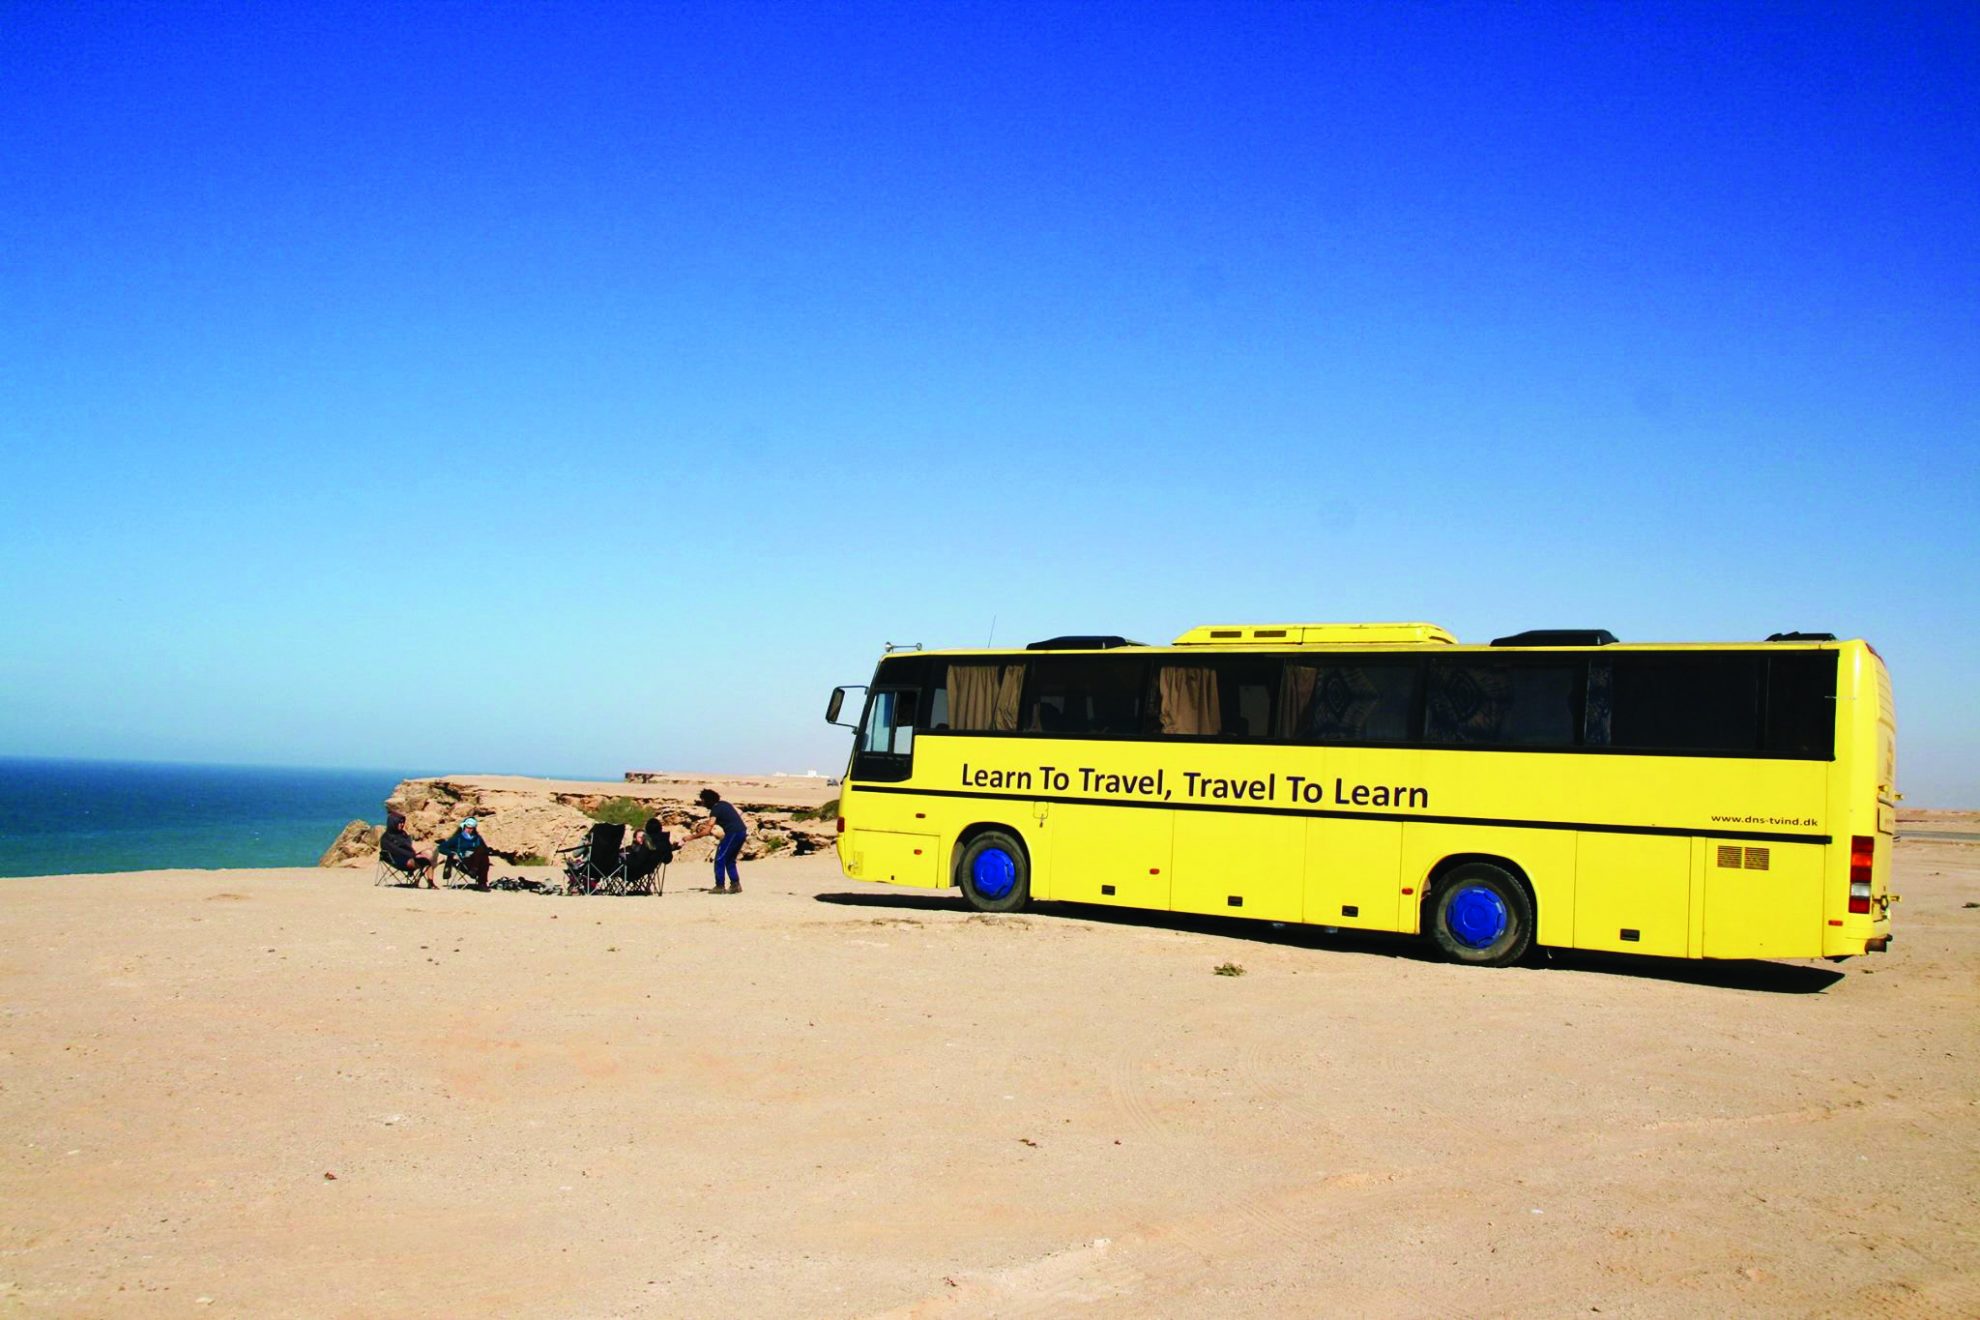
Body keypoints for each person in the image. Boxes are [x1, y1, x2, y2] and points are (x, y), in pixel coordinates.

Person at [689, 788, 747, 893]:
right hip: (741, 832)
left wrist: (690, 837)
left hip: (733, 833)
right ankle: (735, 884)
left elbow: (707, 831)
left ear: (708, 800)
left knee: (720, 858)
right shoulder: (724, 804)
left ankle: (720, 886)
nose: (702, 803)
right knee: (729, 859)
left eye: (703, 800)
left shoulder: (715, 809)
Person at [436, 816, 517, 889]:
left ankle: (480, 880)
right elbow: (441, 847)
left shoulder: (477, 838)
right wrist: (452, 854)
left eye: (471, 828)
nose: (469, 830)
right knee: (481, 853)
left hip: (476, 862)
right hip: (464, 860)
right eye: (467, 827)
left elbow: (484, 849)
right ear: (463, 827)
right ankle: (481, 881)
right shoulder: (457, 838)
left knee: (482, 852)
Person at [380, 811, 435, 887]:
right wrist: (413, 855)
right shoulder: (386, 838)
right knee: (423, 860)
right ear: (393, 823)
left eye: (403, 822)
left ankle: (430, 882)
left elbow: (409, 846)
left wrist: (417, 853)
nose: (402, 824)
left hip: (410, 856)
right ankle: (420, 881)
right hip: (399, 860)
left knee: (429, 853)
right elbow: (397, 851)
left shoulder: (403, 834)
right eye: (400, 822)